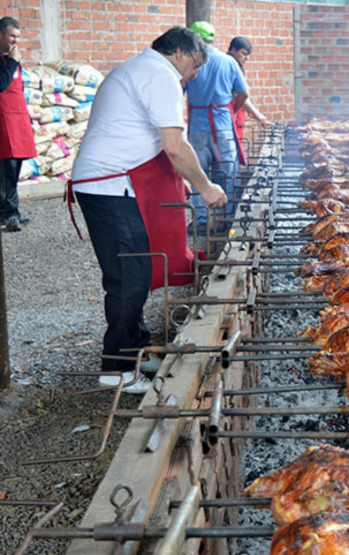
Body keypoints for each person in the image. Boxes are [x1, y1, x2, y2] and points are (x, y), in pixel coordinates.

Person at [69, 27, 228, 393]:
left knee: (136, 268)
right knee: (129, 275)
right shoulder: (160, 75)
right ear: (181, 54)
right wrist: (205, 187)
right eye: (196, 66)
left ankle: (137, 349)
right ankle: (118, 370)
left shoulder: (142, 69)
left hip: (110, 183)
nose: (195, 75)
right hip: (109, 186)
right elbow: (175, 145)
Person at [186, 21, 248, 232]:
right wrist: (234, 110)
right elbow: (244, 93)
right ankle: (230, 217)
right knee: (230, 171)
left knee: (197, 172)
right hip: (222, 123)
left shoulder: (191, 61)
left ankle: (201, 221)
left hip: (197, 125)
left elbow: (179, 89)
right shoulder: (228, 61)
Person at [0, 16, 37, 232]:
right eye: (12, 36)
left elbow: (19, 89)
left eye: (18, 37)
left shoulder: (13, 58)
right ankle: (10, 214)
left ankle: (10, 211)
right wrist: (13, 61)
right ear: (1, 34)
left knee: (17, 164)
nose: (16, 41)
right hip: (3, 118)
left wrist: (27, 118)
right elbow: (2, 83)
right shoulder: (8, 60)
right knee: (7, 167)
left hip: (18, 116)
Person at [227, 36, 268, 166]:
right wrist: (258, 116)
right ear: (233, 50)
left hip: (236, 113)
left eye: (248, 55)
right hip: (229, 113)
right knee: (230, 151)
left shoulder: (238, 66)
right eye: (243, 54)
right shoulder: (229, 65)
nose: (247, 58)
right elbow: (241, 95)